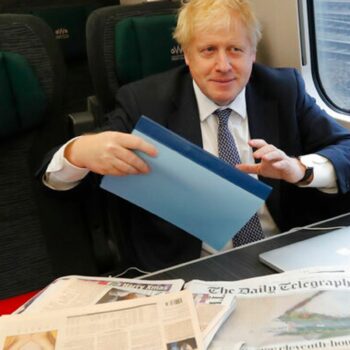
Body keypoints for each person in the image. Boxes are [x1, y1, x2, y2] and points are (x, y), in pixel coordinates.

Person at [40, 0, 350, 271]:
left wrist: (300, 170)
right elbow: (56, 179)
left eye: (235, 49)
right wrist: (78, 152)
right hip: (191, 266)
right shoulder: (144, 103)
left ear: (253, 54)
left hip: (284, 254)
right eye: (208, 50)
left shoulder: (283, 90)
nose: (223, 66)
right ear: (187, 56)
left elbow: (345, 148)